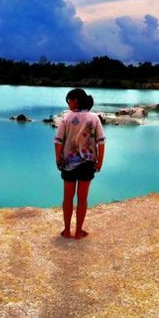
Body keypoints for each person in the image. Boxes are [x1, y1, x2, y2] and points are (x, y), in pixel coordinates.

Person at [54, 88, 105, 239]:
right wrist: (100, 162)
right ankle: (78, 231)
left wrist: (58, 159)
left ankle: (67, 230)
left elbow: (58, 141)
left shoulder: (67, 118)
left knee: (68, 198)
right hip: (88, 163)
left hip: (68, 163)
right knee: (82, 198)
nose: (68, 103)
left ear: (76, 100)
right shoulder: (94, 118)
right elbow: (101, 141)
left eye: (69, 100)